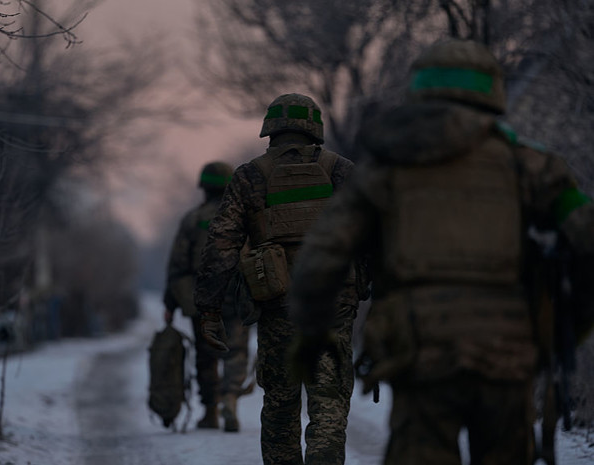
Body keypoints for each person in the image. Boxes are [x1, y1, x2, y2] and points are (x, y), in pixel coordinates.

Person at [289, 38, 594, 465]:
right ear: (491, 92)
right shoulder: (528, 165)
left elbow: (324, 251)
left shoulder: (387, 168)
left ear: (421, 89)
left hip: (420, 349)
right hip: (506, 351)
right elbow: (586, 237)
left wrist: (311, 330)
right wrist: (565, 328)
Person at [194, 93, 361, 465]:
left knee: (281, 407)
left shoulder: (250, 176)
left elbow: (222, 243)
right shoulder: (342, 171)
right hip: (334, 303)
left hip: (279, 305)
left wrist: (209, 308)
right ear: (314, 128)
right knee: (329, 402)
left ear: (270, 129)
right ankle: (324, 458)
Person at [164, 161, 250, 432]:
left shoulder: (192, 219)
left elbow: (178, 264)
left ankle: (211, 411)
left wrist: (170, 303)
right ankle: (230, 397)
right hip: (236, 295)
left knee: (206, 355)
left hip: (200, 299)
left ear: (203, 187)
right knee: (235, 351)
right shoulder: (244, 217)